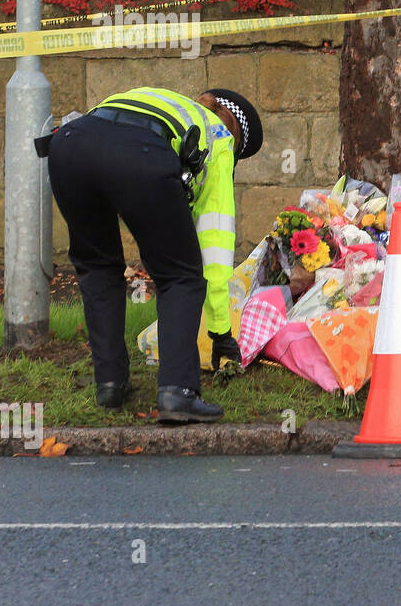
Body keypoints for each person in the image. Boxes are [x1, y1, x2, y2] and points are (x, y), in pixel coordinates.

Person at [43, 87, 263, 422]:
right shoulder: (219, 140)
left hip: (69, 145)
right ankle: (179, 392)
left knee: (98, 266)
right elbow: (214, 257)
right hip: (138, 154)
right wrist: (221, 333)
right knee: (180, 276)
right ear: (236, 137)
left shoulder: (167, 104)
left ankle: (111, 384)